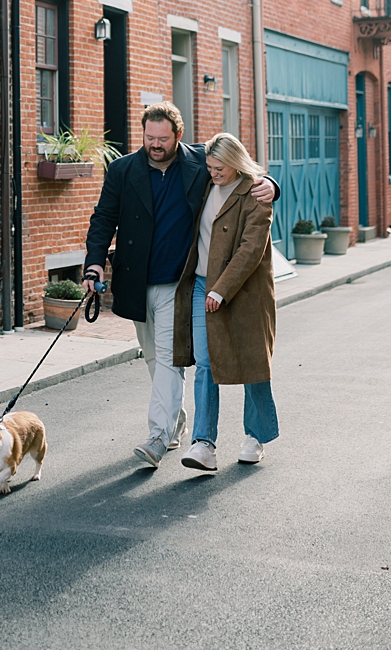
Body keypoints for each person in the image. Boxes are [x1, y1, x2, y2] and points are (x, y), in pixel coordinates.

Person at [81, 103, 277, 469]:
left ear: (179, 136)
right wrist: (93, 262)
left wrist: (271, 184)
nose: (155, 145)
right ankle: (175, 421)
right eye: (149, 137)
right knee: (156, 359)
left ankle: (163, 436)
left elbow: (240, 169)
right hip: (138, 281)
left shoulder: (200, 162)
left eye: (163, 138)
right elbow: (103, 216)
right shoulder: (123, 169)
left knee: (183, 363)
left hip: (182, 283)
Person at [172, 133, 279, 471]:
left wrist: (222, 289)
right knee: (205, 364)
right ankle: (203, 444)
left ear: (235, 163)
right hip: (203, 286)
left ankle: (256, 436)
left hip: (245, 292)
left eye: (220, 168)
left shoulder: (256, 194)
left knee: (252, 365)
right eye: (210, 166)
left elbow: (251, 249)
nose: (213, 172)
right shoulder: (204, 184)